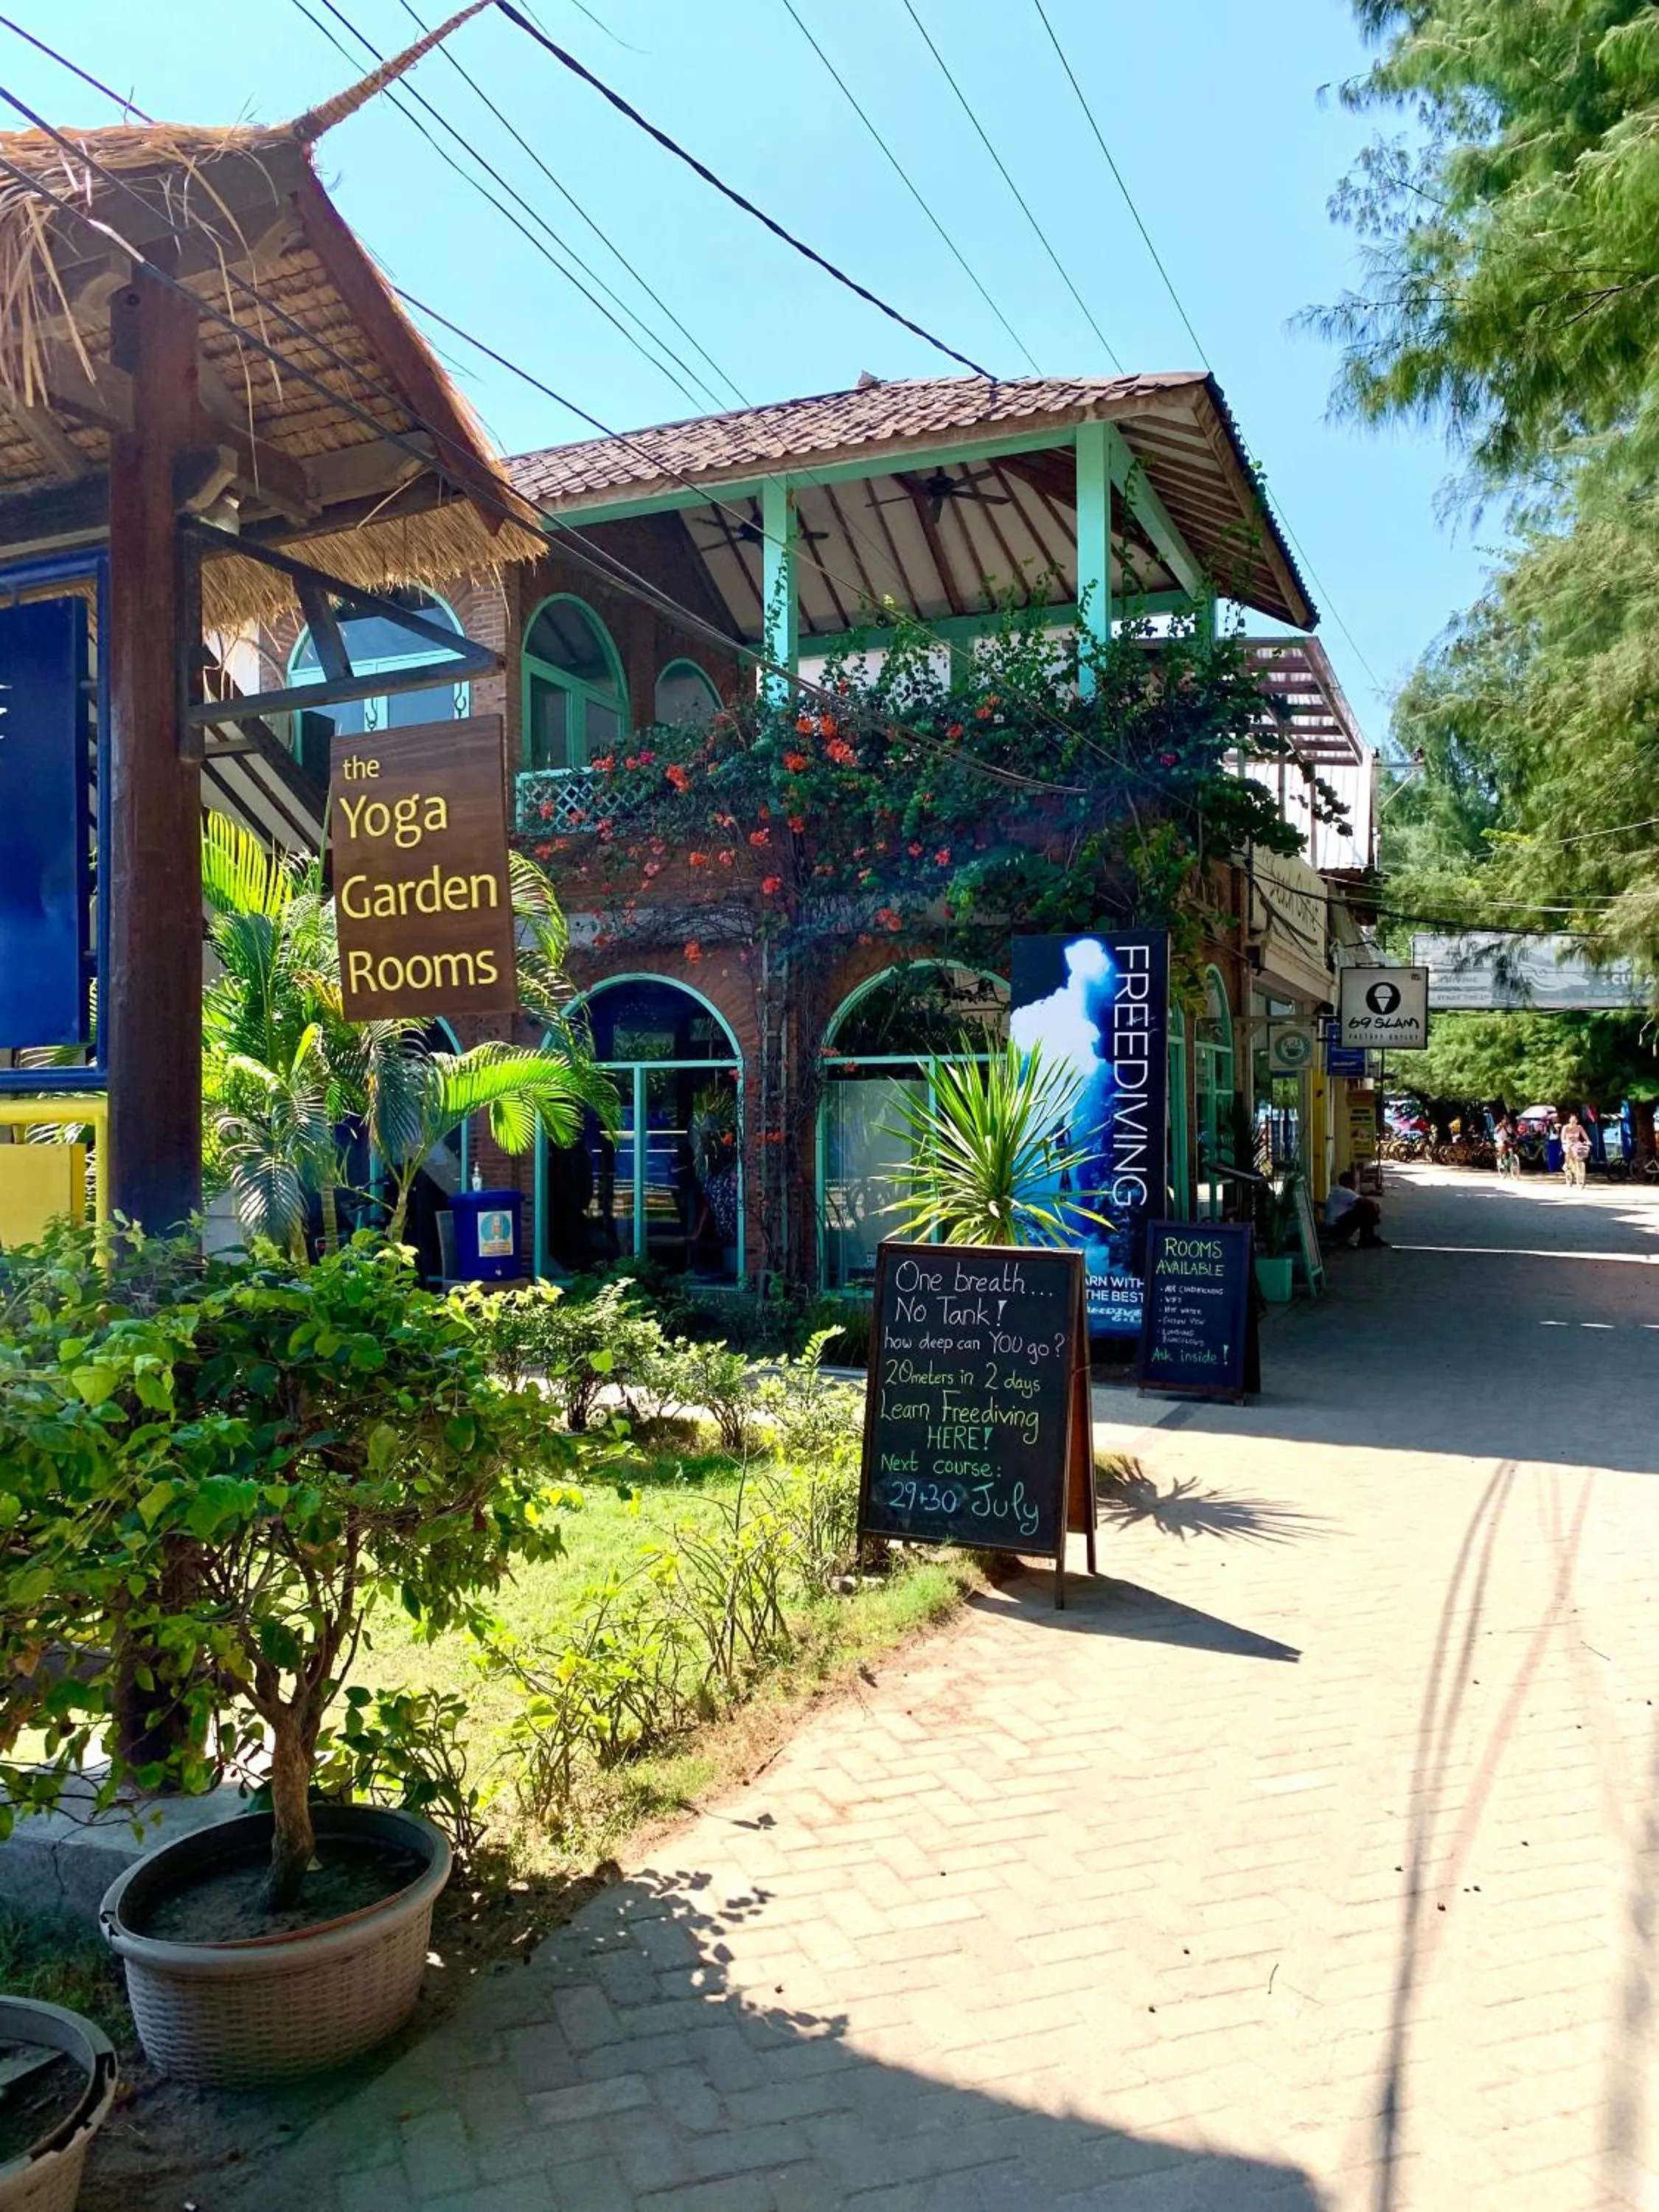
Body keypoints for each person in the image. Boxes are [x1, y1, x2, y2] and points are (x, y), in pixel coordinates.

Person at [1325, 1168, 1387, 1248]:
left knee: (1365, 1207)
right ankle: (1367, 1239)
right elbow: (1367, 1202)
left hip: (1333, 1226)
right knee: (1366, 1208)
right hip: (1335, 1228)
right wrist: (1375, 1209)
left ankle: (1369, 1238)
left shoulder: (1337, 1191)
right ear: (1348, 1183)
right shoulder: (1344, 1192)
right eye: (1354, 1183)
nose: (1355, 1185)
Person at [1560, 1111, 1591, 1189]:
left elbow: (1585, 1135)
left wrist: (1588, 1141)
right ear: (1569, 1120)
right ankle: (1567, 1165)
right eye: (1572, 1120)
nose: (1573, 1122)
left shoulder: (1579, 1127)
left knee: (1582, 1153)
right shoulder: (1566, 1127)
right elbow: (1562, 1138)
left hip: (1577, 1144)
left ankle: (1580, 1176)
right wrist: (1565, 1142)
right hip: (1568, 1144)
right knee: (1568, 1152)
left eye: (1575, 1121)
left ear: (1577, 1121)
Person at [1494, 1113, 1519, 1177]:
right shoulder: (1499, 1126)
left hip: (1507, 1139)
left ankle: (1513, 1159)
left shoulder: (1510, 1126)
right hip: (1500, 1139)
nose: (1506, 1120)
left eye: (1507, 1119)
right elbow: (1496, 1131)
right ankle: (1500, 1158)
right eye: (1505, 1119)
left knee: (1514, 1145)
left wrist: (1518, 1136)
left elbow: (1514, 1132)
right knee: (1503, 1146)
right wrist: (1501, 1126)